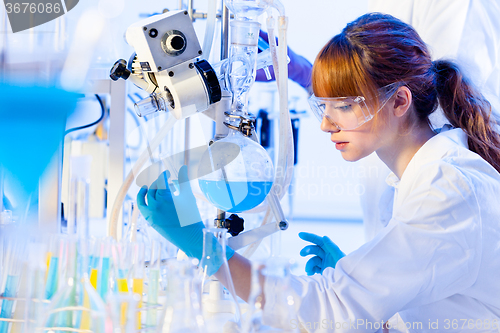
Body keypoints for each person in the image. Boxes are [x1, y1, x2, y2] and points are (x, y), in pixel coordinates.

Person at [137, 13, 500, 332]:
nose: (326, 124)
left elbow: (327, 313)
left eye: (343, 106)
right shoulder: (430, 172)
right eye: (321, 106)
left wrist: (204, 249)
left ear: (401, 102)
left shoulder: (448, 190)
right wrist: (371, 288)